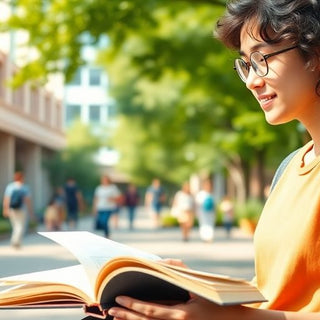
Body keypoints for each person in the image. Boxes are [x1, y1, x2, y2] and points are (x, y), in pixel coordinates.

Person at [107, 1, 320, 319]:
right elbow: (274, 292)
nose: (251, 81)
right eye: (246, 64)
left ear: (314, 51)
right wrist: (198, 290)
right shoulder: (290, 168)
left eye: (262, 59)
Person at [2, 171, 35, 249]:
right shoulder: (24, 187)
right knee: (20, 226)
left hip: (12, 209)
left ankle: (16, 241)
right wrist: (31, 211)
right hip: (22, 209)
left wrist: (5, 209)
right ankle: (16, 241)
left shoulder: (10, 187)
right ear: (22, 178)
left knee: (15, 226)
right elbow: (28, 201)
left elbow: (7, 199)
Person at [195, 178, 216, 242]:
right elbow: (197, 204)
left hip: (210, 212)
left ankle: (209, 237)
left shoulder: (211, 194)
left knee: (210, 224)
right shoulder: (201, 194)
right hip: (202, 212)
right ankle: (205, 237)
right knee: (203, 224)